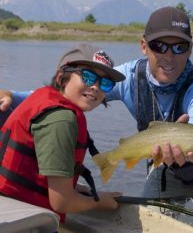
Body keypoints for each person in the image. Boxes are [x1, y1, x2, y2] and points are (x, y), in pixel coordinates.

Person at [0, 6, 193, 200]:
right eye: (159, 45)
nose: (169, 56)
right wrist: (12, 95)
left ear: (190, 50)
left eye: (179, 47)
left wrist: (191, 140)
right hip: (170, 163)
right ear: (144, 46)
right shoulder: (128, 77)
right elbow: (67, 94)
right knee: (151, 219)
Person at [0, 43, 126, 223]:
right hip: (23, 222)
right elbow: (62, 202)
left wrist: (72, 187)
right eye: (88, 77)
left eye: (105, 83)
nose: (96, 87)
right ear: (62, 77)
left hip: (11, 208)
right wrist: (98, 202)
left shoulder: (46, 100)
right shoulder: (61, 120)